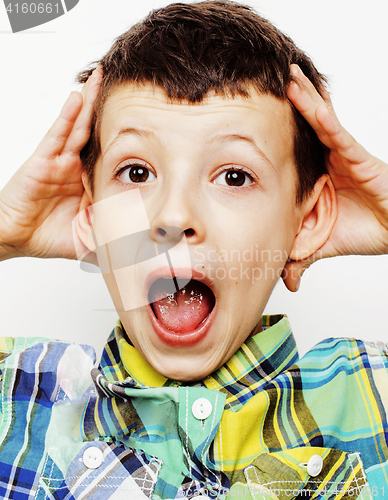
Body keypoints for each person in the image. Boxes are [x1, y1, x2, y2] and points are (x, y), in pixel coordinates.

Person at [0, 1, 387, 498]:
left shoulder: (369, 392)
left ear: (307, 218)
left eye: (234, 176)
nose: (174, 217)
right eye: (137, 173)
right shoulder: (21, 397)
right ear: (91, 212)